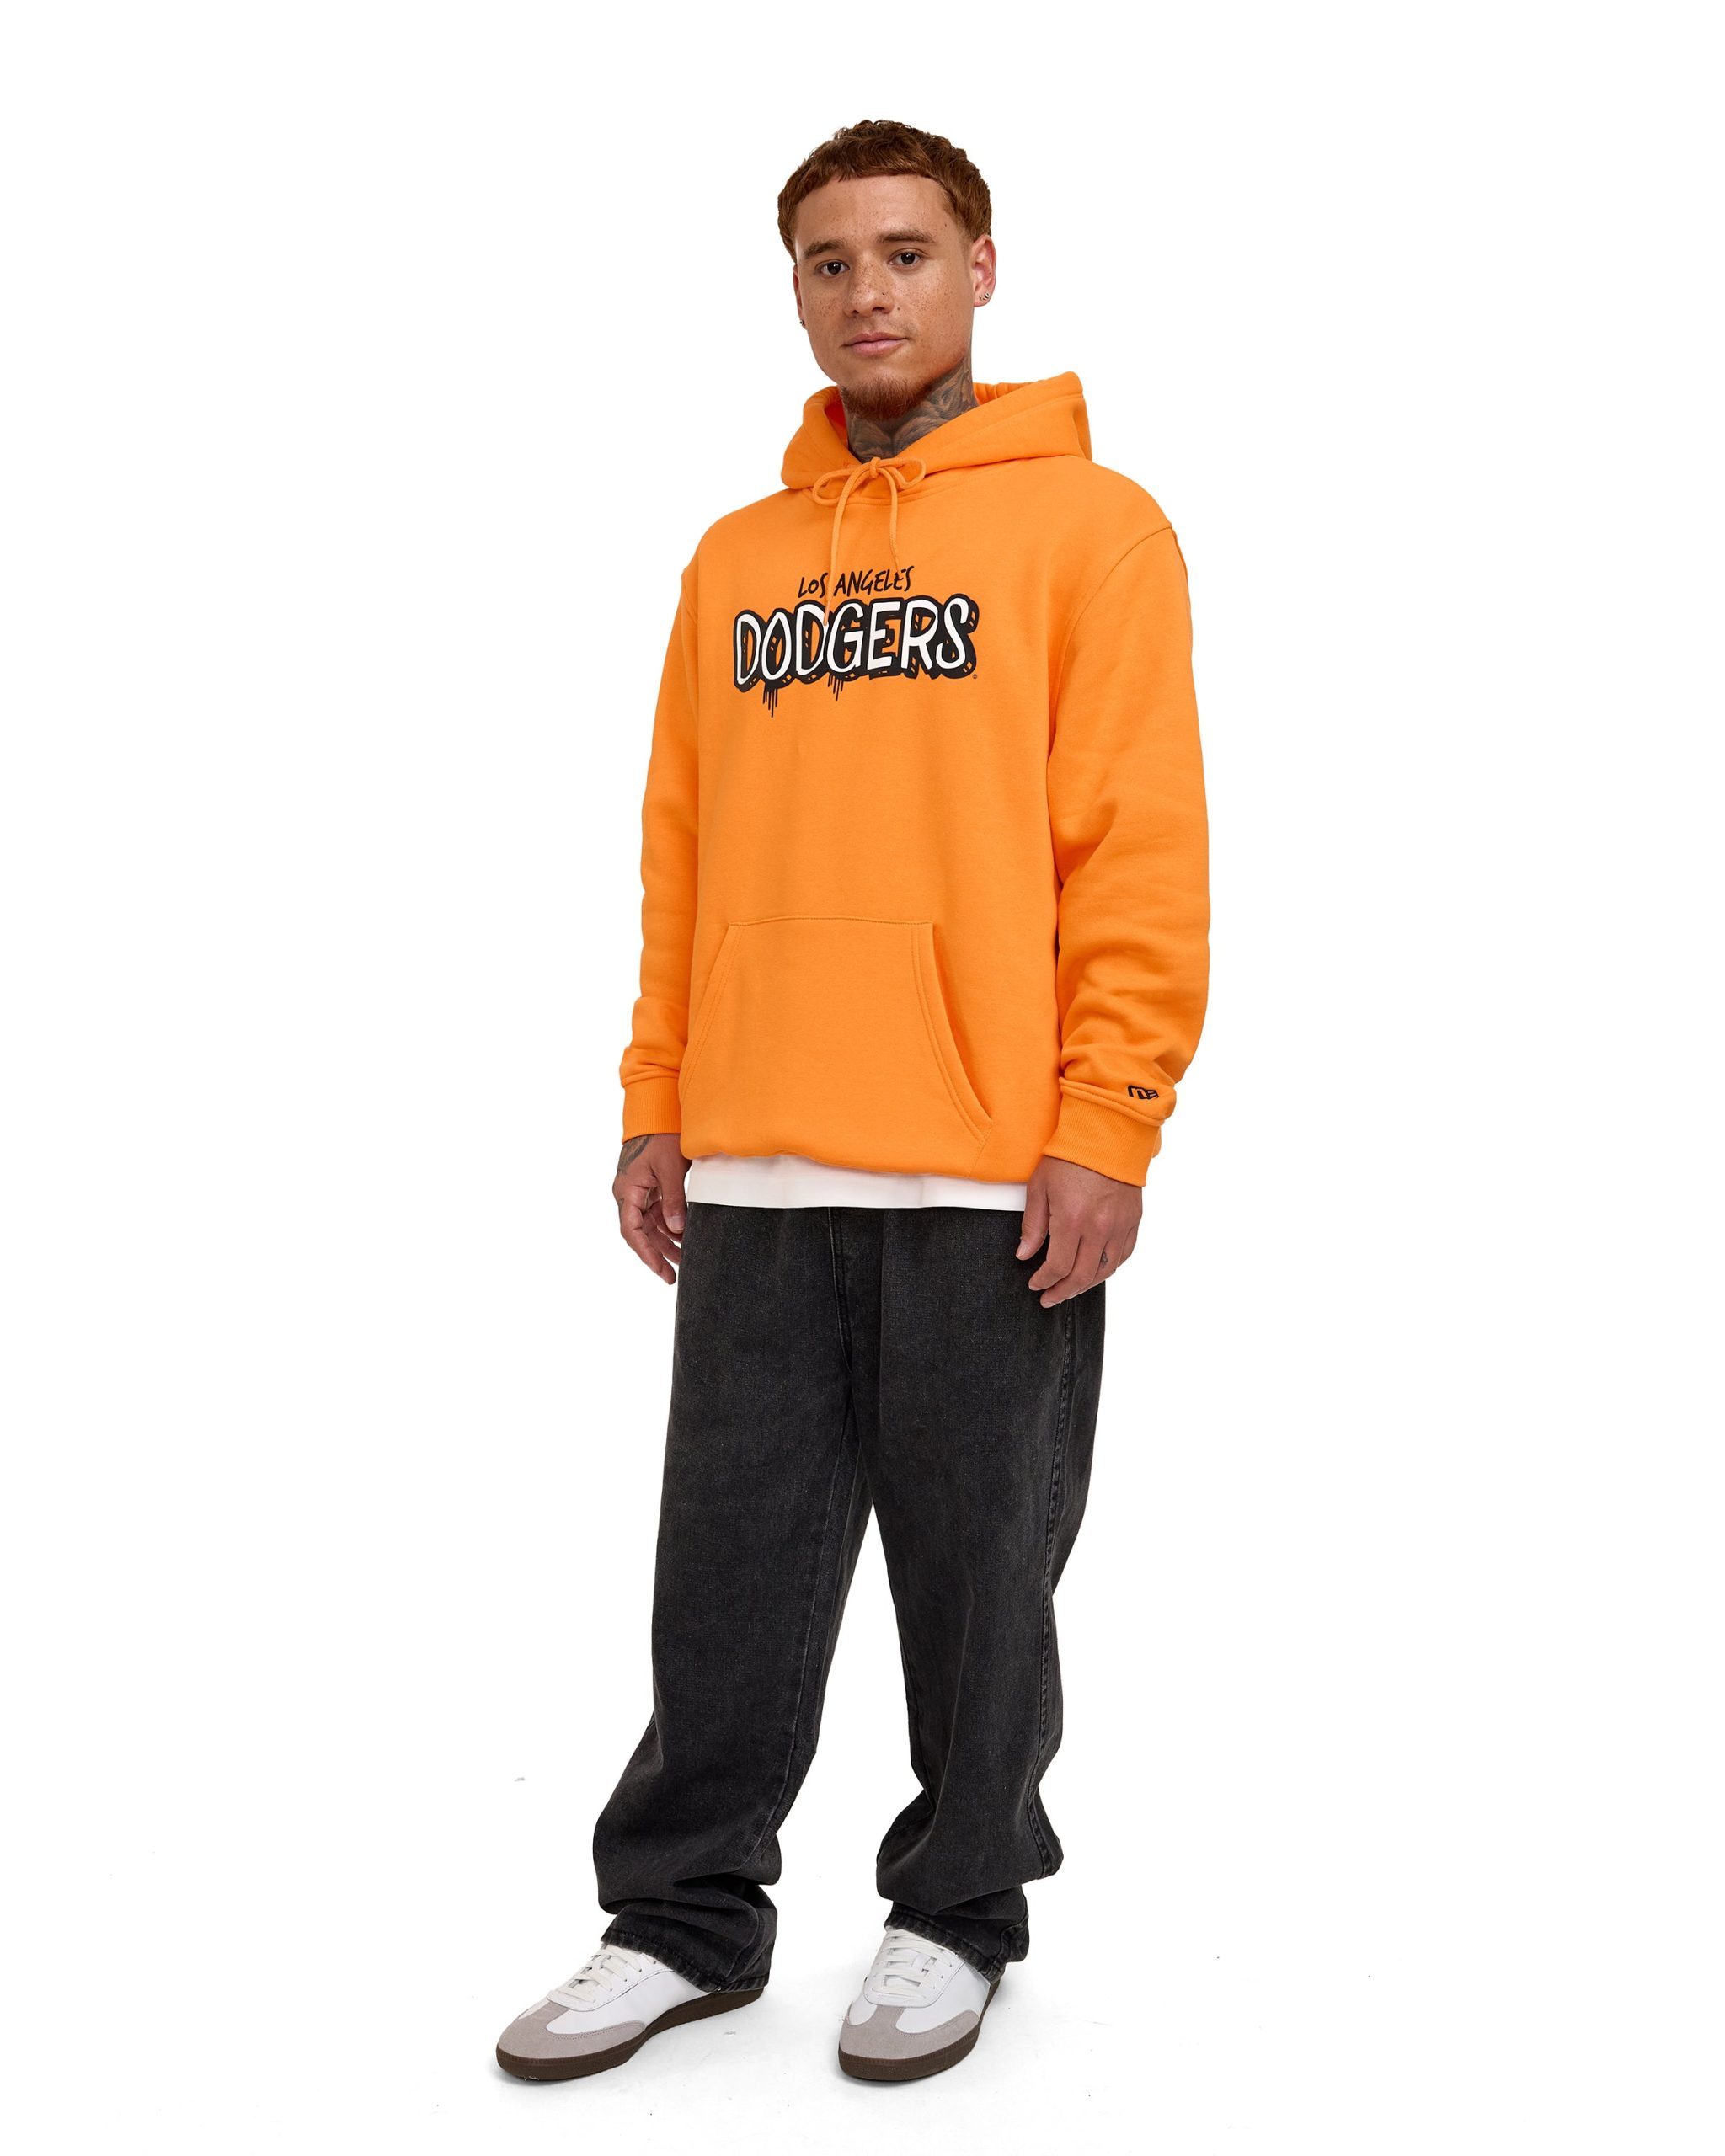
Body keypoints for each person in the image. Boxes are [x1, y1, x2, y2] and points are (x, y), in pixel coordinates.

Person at [496, 116, 1209, 2086]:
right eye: (828, 260)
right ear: (795, 289)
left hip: (989, 1168)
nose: (866, 291)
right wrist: (658, 1096)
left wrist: (1108, 1117)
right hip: (754, 1151)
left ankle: (956, 1909)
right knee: (722, 1570)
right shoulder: (735, 562)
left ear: (979, 268)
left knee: (982, 1583)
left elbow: (1137, 851)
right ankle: (681, 1918)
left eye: (904, 252)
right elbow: (683, 849)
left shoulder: (1093, 531)